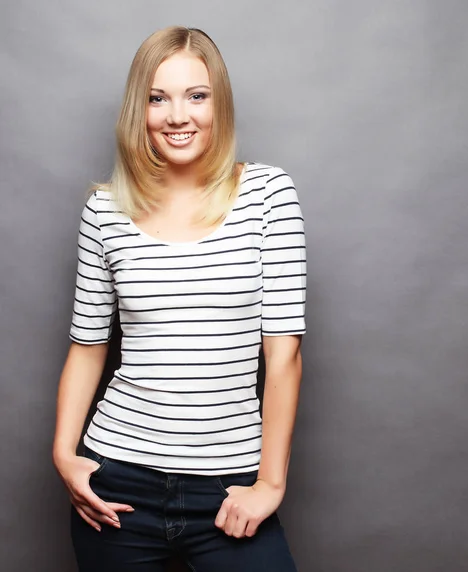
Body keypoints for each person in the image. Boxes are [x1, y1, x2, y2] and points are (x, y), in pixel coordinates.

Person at [52, 25, 306, 572]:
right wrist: (64, 455)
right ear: (138, 109)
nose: (177, 115)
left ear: (220, 103)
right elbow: (88, 346)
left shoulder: (267, 195)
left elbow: (282, 354)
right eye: (157, 98)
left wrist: (269, 483)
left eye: (196, 95)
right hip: (116, 483)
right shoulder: (105, 212)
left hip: (227, 489)